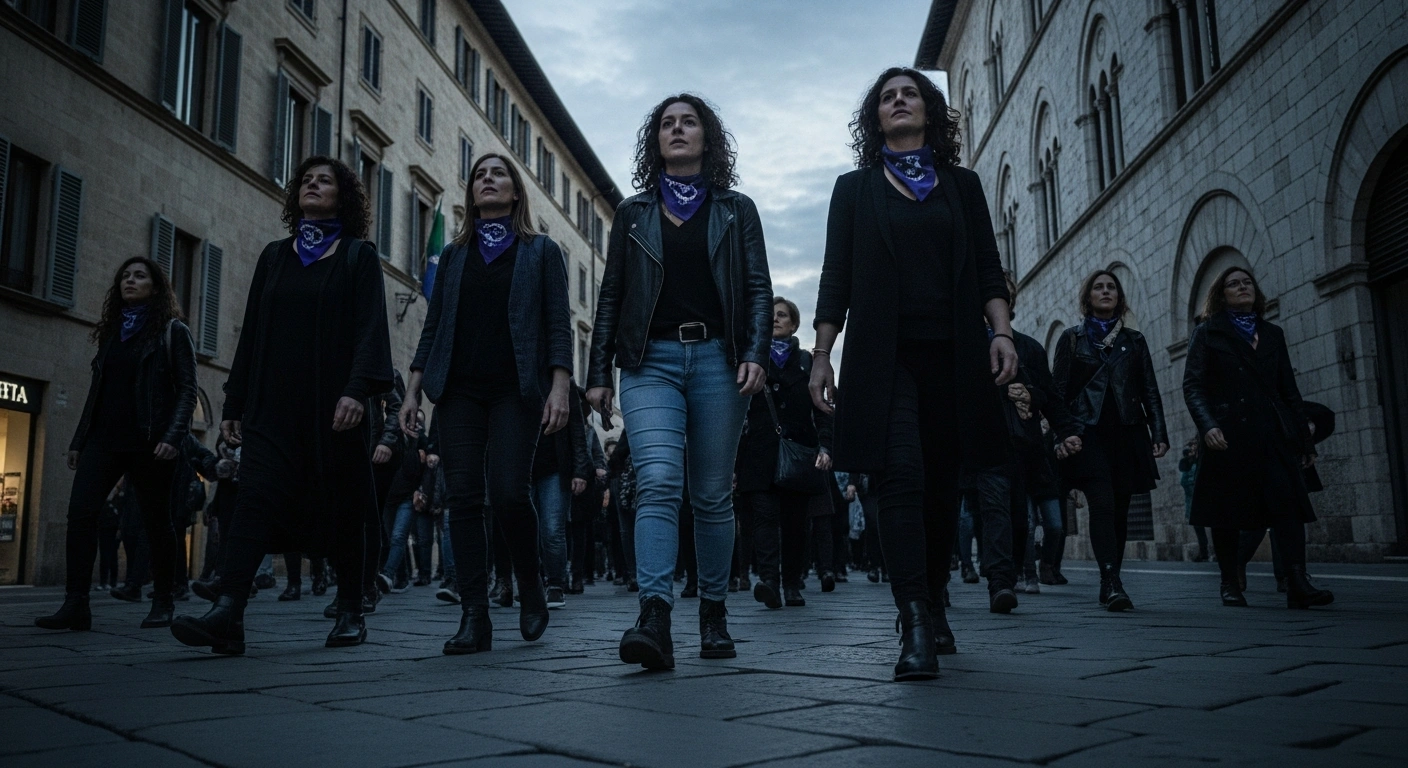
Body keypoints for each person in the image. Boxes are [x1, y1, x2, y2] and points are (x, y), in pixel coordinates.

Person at [810, 68, 1018, 681]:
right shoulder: (854, 190)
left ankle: (935, 594)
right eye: (886, 98)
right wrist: (822, 354)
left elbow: (987, 267)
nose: (899, 102)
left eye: (910, 94)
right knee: (899, 476)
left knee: (939, 488)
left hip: (954, 355)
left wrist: (1001, 332)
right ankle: (915, 618)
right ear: (875, 120)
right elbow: (835, 277)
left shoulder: (962, 185)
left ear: (929, 111)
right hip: (884, 358)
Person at [170, 156, 393, 654]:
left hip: (335, 406)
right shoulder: (274, 256)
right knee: (251, 497)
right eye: (306, 181)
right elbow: (252, 332)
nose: (312, 186)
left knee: (345, 506)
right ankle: (229, 610)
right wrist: (234, 401)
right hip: (273, 405)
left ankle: (352, 609)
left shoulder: (358, 256)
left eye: (325, 181)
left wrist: (357, 391)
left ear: (344, 197)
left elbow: (370, 331)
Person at [587, 93, 772, 670]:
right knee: (660, 480)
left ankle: (713, 612)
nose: (677, 130)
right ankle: (655, 617)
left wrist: (757, 351)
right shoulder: (633, 213)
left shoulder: (737, 209)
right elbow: (613, 293)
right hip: (649, 363)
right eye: (667, 123)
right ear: (656, 141)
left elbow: (758, 288)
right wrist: (598, 373)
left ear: (707, 137)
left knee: (712, 493)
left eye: (688, 122)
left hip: (720, 359)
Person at [401, 152, 573, 656]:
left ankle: (530, 583)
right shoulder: (454, 256)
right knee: (463, 496)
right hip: (458, 390)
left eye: (498, 174)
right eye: (480, 174)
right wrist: (413, 389)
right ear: (471, 192)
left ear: (515, 191)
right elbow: (433, 329)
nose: (488, 180)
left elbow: (558, 326)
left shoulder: (541, 251)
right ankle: (474, 614)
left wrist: (560, 386)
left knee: (509, 493)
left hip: (516, 388)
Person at [37, 257, 197, 631]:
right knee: (80, 514)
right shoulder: (111, 334)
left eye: (139, 276)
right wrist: (80, 438)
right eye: (124, 276)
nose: (130, 281)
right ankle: (76, 604)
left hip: (151, 442)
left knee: (157, 523)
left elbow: (188, 390)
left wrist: (173, 437)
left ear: (156, 287)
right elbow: (97, 391)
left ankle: (162, 600)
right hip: (104, 439)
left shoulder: (172, 331)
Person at [1182, 266, 1333, 609]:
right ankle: (1229, 582)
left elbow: (1288, 391)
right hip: (1227, 433)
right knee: (1226, 513)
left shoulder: (1272, 333)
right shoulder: (1207, 333)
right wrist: (1207, 426)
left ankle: (1297, 581)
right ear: (1222, 295)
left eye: (1247, 282)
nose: (1242, 287)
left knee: (1288, 507)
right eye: (1233, 284)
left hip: (1272, 434)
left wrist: (1304, 442)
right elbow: (1193, 386)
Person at [1053, 269, 1168, 612]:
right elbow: (1058, 391)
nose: (1105, 292)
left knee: (1118, 510)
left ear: (1119, 297)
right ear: (1087, 297)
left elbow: (1149, 389)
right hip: (1088, 433)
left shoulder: (1134, 341)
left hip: (1127, 432)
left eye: (1111, 288)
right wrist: (1063, 432)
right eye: (1098, 288)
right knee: (1102, 503)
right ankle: (1110, 581)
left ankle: (1112, 578)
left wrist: (1158, 432)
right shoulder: (1072, 339)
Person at [736, 297, 834, 609]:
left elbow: (822, 409)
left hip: (798, 453)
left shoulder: (806, 362)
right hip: (760, 453)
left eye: (782, 315)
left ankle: (792, 584)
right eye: (771, 316)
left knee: (796, 524)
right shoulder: (751, 360)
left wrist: (827, 445)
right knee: (764, 519)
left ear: (793, 324)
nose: (775, 319)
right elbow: (736, 414)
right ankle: (769, 582)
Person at [1178, 439, 1209, 562]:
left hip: (1203, 499)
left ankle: (1211, 553)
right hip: (1192, 502)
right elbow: (1183, 471)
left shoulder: (1200, 459)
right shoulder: (1186, 463)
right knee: (1198, 528)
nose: (1191, 450)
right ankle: (1204, 552)